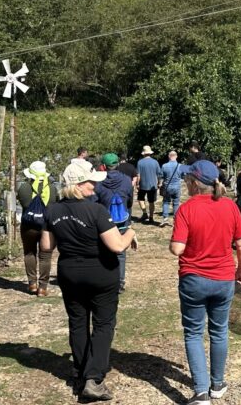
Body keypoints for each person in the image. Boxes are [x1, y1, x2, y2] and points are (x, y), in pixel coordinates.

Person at [41, 159, 137, 401]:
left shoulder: (52, 210)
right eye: (90, 183)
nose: (94, 186)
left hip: (70, 273)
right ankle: (93, 378)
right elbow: (117, 246)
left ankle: (80, 372)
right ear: (77, 185)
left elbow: (46, 246)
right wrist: (131, 233)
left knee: (78, 322)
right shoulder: (96, 210)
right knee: (104, 324)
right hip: (100, 272)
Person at [169, 159, 241, 405]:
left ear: (194, 183)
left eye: (188, 180)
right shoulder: (230, 206)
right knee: (219, 330)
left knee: (194, 333)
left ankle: (201, 392)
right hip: (224, 278)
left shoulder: (186, 209)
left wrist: (178, 242)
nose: (186, 184)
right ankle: (217, 383)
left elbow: (177, 248)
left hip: (194, 279)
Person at [18, 161, 56, 296]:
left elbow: (24, 204)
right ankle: (43, 287)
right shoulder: (52, 188)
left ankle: (32, 283)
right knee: (45, 255)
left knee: (29, 252)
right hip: (47, 226)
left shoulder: (24, 187)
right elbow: (55, 204)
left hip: (28, 225)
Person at [100, 153, 134, 292]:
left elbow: (95, 201)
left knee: (104, 250)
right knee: (121, 253)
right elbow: (130, 200)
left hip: (104, 221)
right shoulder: (126, 180)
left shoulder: (99, 182)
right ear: (118, 164)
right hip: (122, 219)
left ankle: (107, 281)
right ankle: (120, 282)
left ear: (104, 166)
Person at [136, 145, 163, 224]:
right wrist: (159, 183)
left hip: (142, 185)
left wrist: (137, 184)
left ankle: (144, 213)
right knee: (151, 202)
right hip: (152, 185)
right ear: (150, 153)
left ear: (143, 153)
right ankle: (151, 217)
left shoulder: (140, 162)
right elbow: (159, 174)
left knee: (140, 199)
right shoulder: (155, 162)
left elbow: (138, 175)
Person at [160, 150, 183, 227]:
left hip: (167, 186)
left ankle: (165, 218)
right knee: (176, 203)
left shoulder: (164, 166)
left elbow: (161, 176)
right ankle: (175, 220)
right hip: (177, 186)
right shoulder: (180, 166)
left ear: (169, 156)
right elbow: (183, 175)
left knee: (166, 202)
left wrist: (160, 184)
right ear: (176, 156)